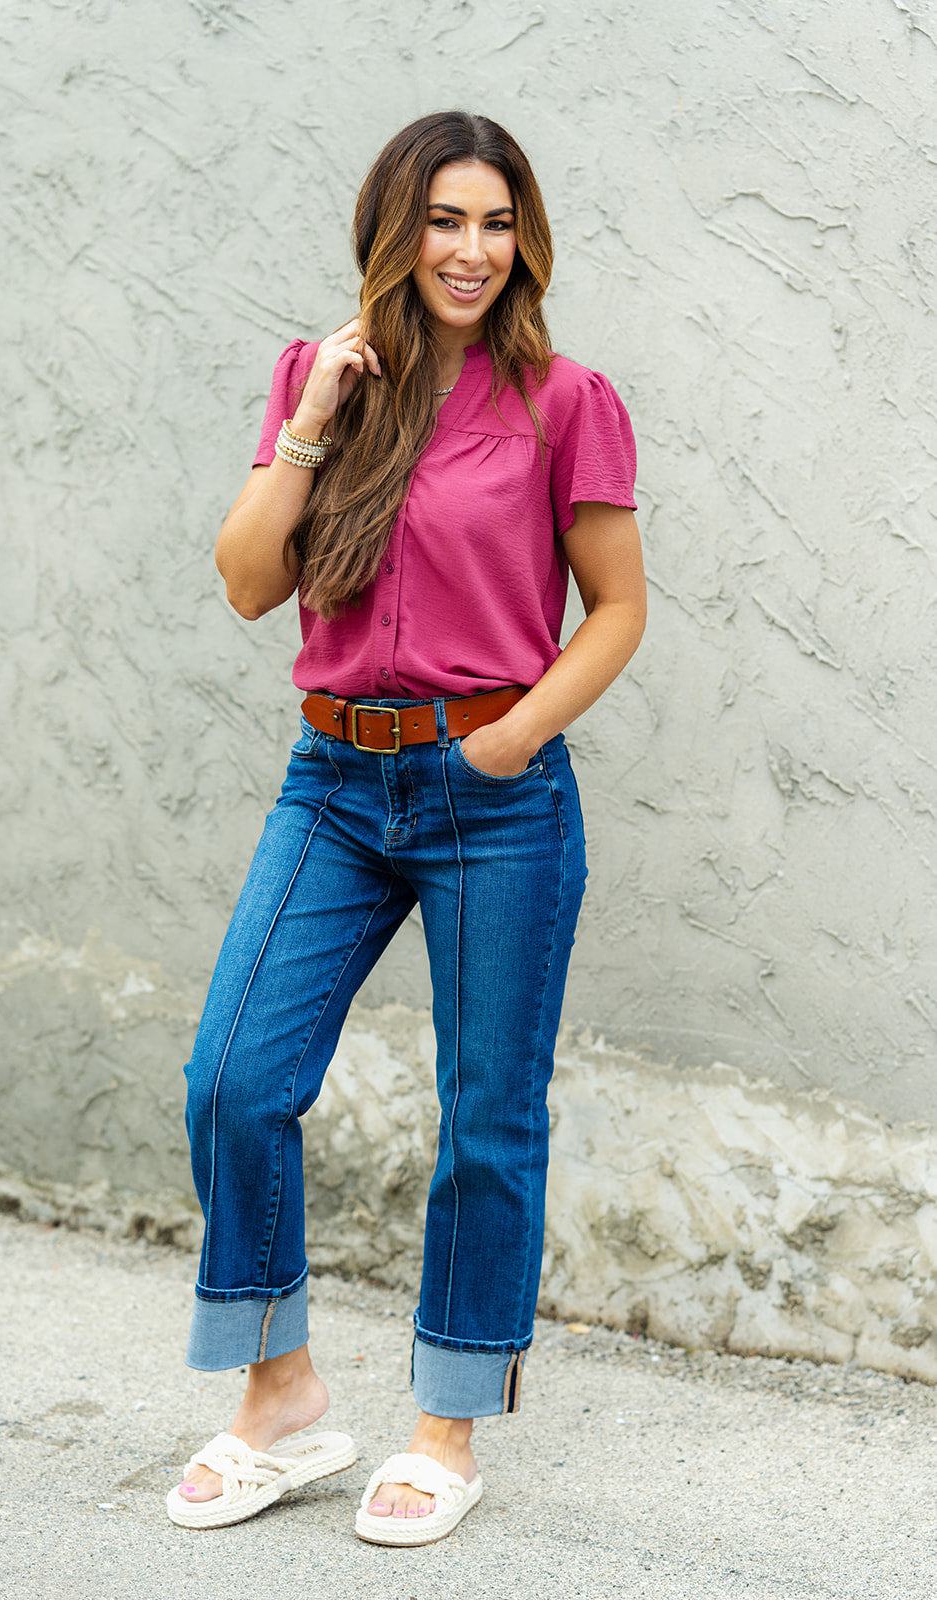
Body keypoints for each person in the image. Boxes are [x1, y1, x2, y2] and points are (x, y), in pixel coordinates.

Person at [166, 110, 646, 1546]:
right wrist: (314, 413)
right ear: (395, 231)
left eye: (496, 223)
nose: (471, 250)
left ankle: (447, 1426)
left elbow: (619, 607)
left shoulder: (567, 401)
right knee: (233, 1078)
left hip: (494, 797)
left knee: (485, 1118)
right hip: (334, 783)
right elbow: (249, 582)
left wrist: (516, 733)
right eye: (444, 220)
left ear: (524, 240)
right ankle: (282, 1396)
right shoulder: (320, 381)